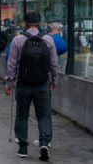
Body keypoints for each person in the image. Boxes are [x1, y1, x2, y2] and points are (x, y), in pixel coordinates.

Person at [5, 12, 58, 161]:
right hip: (42, 84)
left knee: (22, 115)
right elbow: (54, 64)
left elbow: (12, 64)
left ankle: (23, 148)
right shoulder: (48, 40)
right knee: (44, 115)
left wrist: (9, 83)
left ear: (25, 24)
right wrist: (54, 80)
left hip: (23, 84)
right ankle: (44, 144)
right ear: (40, 24)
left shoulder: (18, 40)